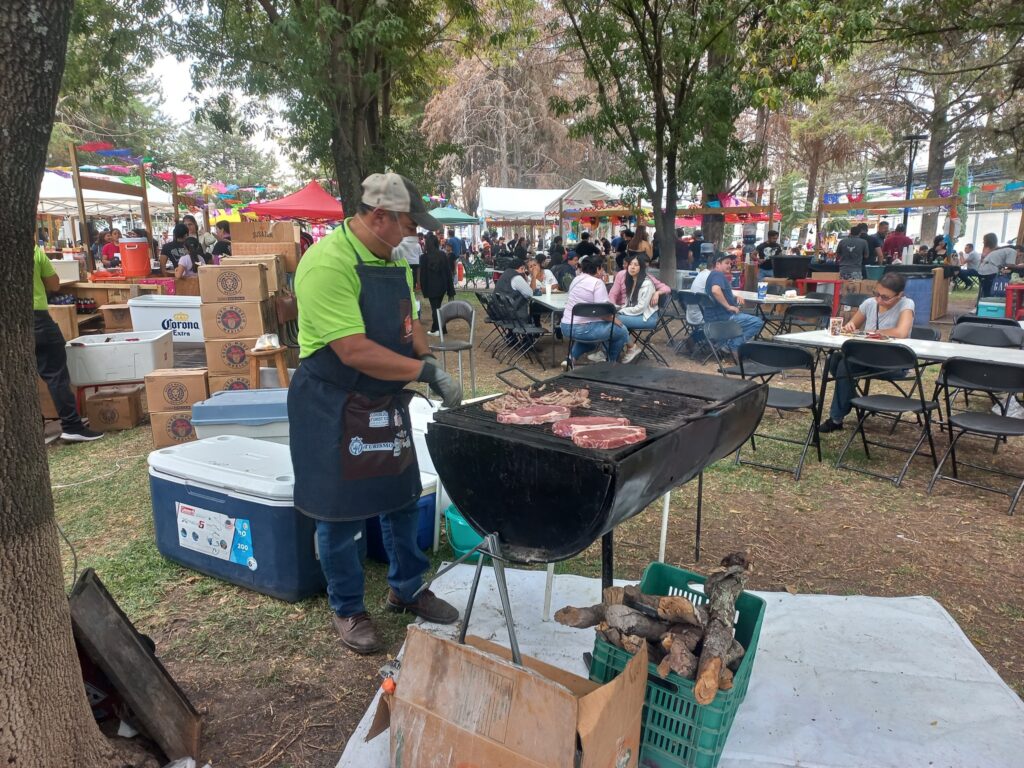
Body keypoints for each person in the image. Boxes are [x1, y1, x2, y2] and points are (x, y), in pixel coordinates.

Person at [288, 172, 461, 654]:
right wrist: (425, 376)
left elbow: (410, 326)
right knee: (339, 515)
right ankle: (347, 608)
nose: (414, 234)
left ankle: (406, 589)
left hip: (383, 400)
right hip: (333, 402)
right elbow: (353, 350)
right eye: (408, 223)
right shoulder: (327, 264)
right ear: (379, 215)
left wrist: (428, 360)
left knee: (403, 498)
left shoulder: (396, 260)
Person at [818, 272, 915, 434]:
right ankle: (852, 400)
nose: (879, 300)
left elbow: (902, 332)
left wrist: (874, 332)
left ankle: (836, 418)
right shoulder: (869, 303)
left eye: (885, 297)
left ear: (899, 295)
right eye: (876, 294)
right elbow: (851, 326)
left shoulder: (906, 304)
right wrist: (848, 328)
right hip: (866, 357)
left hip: (894, 362)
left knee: (845, 364)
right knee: (834, 359)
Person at [32, 245, 102, 442]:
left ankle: (30, 428)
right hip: (36, 317)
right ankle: (72, 425)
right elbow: (54, 285)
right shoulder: (33, 250)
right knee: (55, 374)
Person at [560, 255, 629, 365]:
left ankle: (570, 359)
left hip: (566, 326)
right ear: (597, 268)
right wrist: (613, 319)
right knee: (621, 330)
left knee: (591, 342)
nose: (603, 271)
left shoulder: (576, 279)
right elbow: (602, 311)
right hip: (582, 329)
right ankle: (611, 362)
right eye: (602, 268)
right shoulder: (597, 283)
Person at [611, 253, 671, 363]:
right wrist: (616, 308)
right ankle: (612, 355)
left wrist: (620, 311)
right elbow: (625, 302)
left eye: (636, 265)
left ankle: (619, 353)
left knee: (614, 321)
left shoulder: (647, 283)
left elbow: (640, 308)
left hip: (646, 318)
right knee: (613, 320)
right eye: (631, 264)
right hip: (636, 314)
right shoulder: (630, 280)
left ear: (642, 268)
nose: (632, 267)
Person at [703, 253, 763, 354]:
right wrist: (728, 306)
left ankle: (724, 344)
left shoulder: (713, 275)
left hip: (713, 317)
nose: (729, 266)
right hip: (724, 318)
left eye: (730, 263)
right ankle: (732, 346)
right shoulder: (718, 274)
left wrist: (735, 297)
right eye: (726, 263)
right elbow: (715, 290)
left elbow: (720, 291)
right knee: (757, 322)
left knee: (744, 322)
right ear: (717, 264)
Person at [419, 232, 454, 335]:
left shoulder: (424, 258)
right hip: (442, 286)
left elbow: (423, 275)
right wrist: (450, 289)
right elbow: (448, 272)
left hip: (430, 286)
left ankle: (439, 329)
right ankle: (439, 329)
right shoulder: (442, 255)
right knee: (437, 307)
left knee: (435, 308)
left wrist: (423, 288)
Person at [977, 233, 1020, 298]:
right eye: (1020, 255)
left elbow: (1005, 267)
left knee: (986, 290)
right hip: (990, 271)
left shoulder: (1002, 251)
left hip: (982, 270)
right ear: (1019, 251)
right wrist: (1019, 266)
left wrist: (1005, 268)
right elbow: (1010, 266)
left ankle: (983, 301)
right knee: (990, 290)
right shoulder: (1012, 251)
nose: (1019, 257)